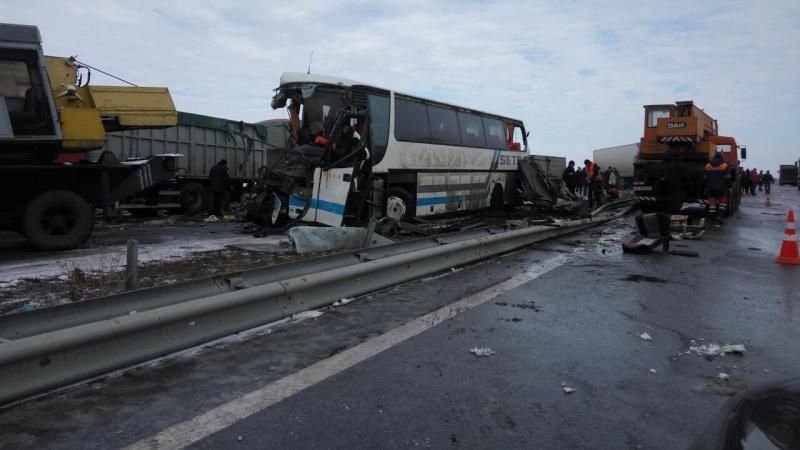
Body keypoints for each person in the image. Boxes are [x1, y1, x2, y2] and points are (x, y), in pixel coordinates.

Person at [704, 153, 731, 224]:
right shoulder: (724, 166)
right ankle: (719, 217)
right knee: (723, 204)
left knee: (712, 205)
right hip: (722, 188)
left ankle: (712, 219)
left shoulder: (708, 166)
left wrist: (706, 187)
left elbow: (705, 178)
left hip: (710, 188)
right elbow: (728, 178)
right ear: (722, 158)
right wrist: (728, 186)